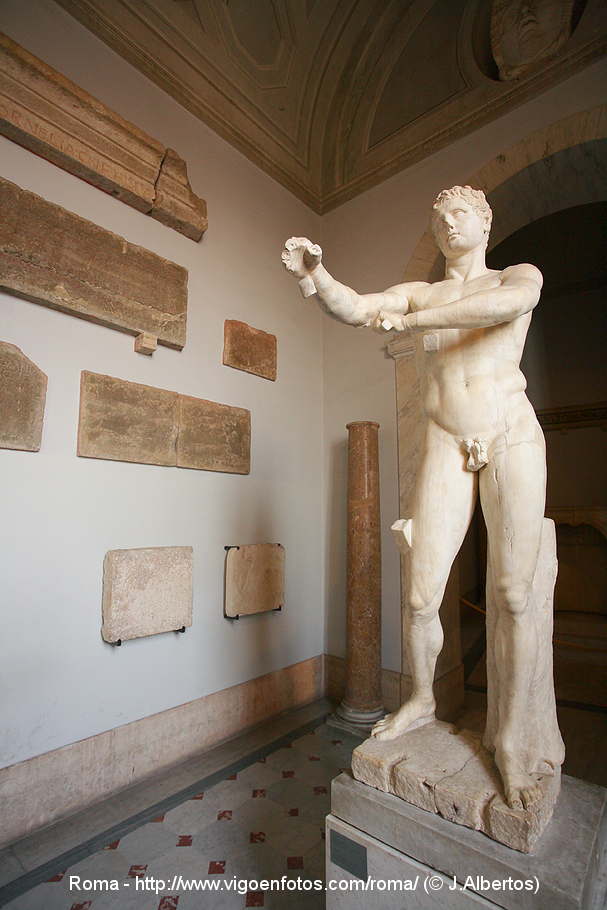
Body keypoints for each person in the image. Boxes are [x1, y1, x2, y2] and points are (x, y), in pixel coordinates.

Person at [281, 187, 552, 810]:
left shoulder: (516, 275)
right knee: (421, 593)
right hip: (444, 437)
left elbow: (504, 307)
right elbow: (358, 308)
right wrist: (317, 276)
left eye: (460, 214)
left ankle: (512, 736)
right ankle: (423, 698)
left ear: (485, 222)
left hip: (509, 432)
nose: (448, 224)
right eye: (438, 219)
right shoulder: (421, 292)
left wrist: (411, 322)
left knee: (513, 594)